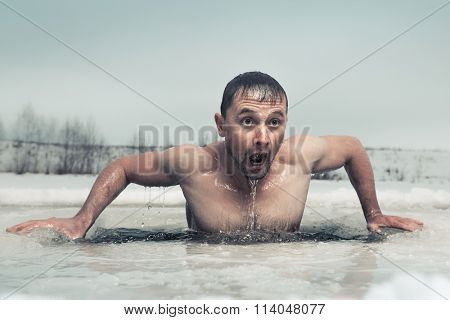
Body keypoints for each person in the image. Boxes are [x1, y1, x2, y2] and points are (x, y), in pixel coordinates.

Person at [6, 71, 423, 239]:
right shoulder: (196, 165)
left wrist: (374, 213)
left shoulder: (299, 157)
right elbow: (124, 168)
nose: (262, 136)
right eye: (247, 121)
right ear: (222, 126)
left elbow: (352, 147)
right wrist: (81, 222)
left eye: (274, 122)